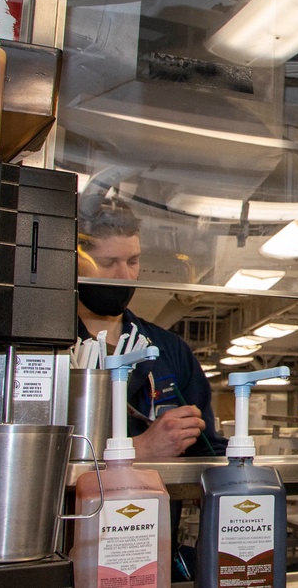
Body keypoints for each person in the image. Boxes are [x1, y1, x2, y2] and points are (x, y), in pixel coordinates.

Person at [76, 196, 227, 459]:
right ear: (74, 262)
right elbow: (32, 458)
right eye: (108, 263)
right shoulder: (49, 351)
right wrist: (139, 449)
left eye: (132, 261)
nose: (124, 277)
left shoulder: (169, 350)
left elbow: (206, 448)